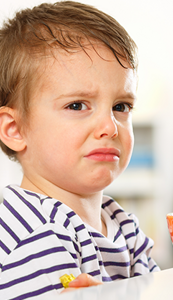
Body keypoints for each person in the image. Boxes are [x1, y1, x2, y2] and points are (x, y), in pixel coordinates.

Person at [0, 1, 160, 299]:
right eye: (77, 105)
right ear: (15, 129)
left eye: (120, 107)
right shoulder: (40, 239)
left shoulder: (121, 223)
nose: (110, 127)